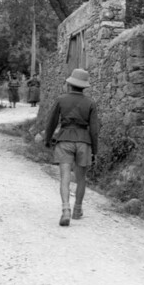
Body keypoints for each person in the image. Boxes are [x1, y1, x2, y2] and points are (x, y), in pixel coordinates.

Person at [44, 69, 99, 226]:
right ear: (84, 86)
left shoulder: (61, 100)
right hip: (84, 141)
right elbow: (94, 130)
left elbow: (51, 122)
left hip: (65, 140)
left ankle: (66, 209)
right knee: (81, 178)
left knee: (65, 177)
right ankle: (77, 210)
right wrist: (95, 150)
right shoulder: (90, 103)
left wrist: (47, 139)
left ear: (69, 84)